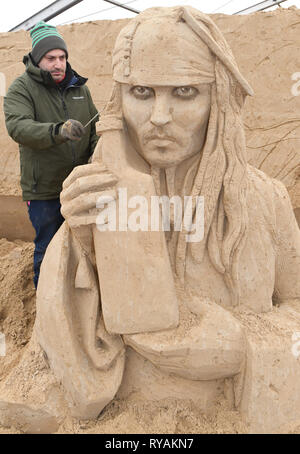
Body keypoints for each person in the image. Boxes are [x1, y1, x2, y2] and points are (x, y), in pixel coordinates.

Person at [33, 7, 300, 418]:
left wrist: (243, 346)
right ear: (120, 99)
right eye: (141, 92)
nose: (159, 117)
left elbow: (296, 305)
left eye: (185, 92)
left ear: (219, 99)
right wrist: (81, 246)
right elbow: (57, 347)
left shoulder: (267, 201)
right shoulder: (103, 198)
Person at [3, 21, 99, 288]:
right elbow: (18, 127)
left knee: (83, 246)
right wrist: (59, 131)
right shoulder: (21, 89)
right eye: (50, 58)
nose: (58, 64)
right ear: (37, 58)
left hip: (79, 186)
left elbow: (95, 129)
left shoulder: (80, 89)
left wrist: (96, 153)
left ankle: (75, 302)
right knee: (49, 246)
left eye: (62, 57)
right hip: (44, 189)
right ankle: (47, 307)